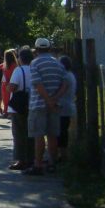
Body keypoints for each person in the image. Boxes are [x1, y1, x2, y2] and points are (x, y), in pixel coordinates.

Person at [24, 38, 69, 175]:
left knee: (39, 135)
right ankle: (52, 164)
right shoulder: (58, 63)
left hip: (38, 104)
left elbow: (38, 84)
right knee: (52, 135)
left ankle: (38, 164)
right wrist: (54, 99)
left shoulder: (35, 63)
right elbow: (65, 83)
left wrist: (47, 100)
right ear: (49, 48)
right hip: (55, 105)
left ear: (36, 50)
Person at [8, 46, 34, 170]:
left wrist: (8, 87)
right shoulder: (34, 69)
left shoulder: (19, 71)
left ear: (21, 58)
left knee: (18, 134)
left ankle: (20, 160)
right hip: (31, 104)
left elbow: (12, 87)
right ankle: (31, 158)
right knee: (30, 133)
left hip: (18, 106)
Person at [57, 55, 77, 163]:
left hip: (63, 108)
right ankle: (62, 154)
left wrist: (52, 99)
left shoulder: (65, 77)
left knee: (62, 132)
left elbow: (61, 90)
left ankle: (63, 155)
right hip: (68, 106)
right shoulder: (71, 75)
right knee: (62, 131)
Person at [0, 49, 17, 116]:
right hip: (13, 83)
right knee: (12, 98)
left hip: (5, 84)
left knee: (5, 99)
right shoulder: (16, 65)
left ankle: (6, 111)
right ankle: (11, 112)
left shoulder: (4, 65)